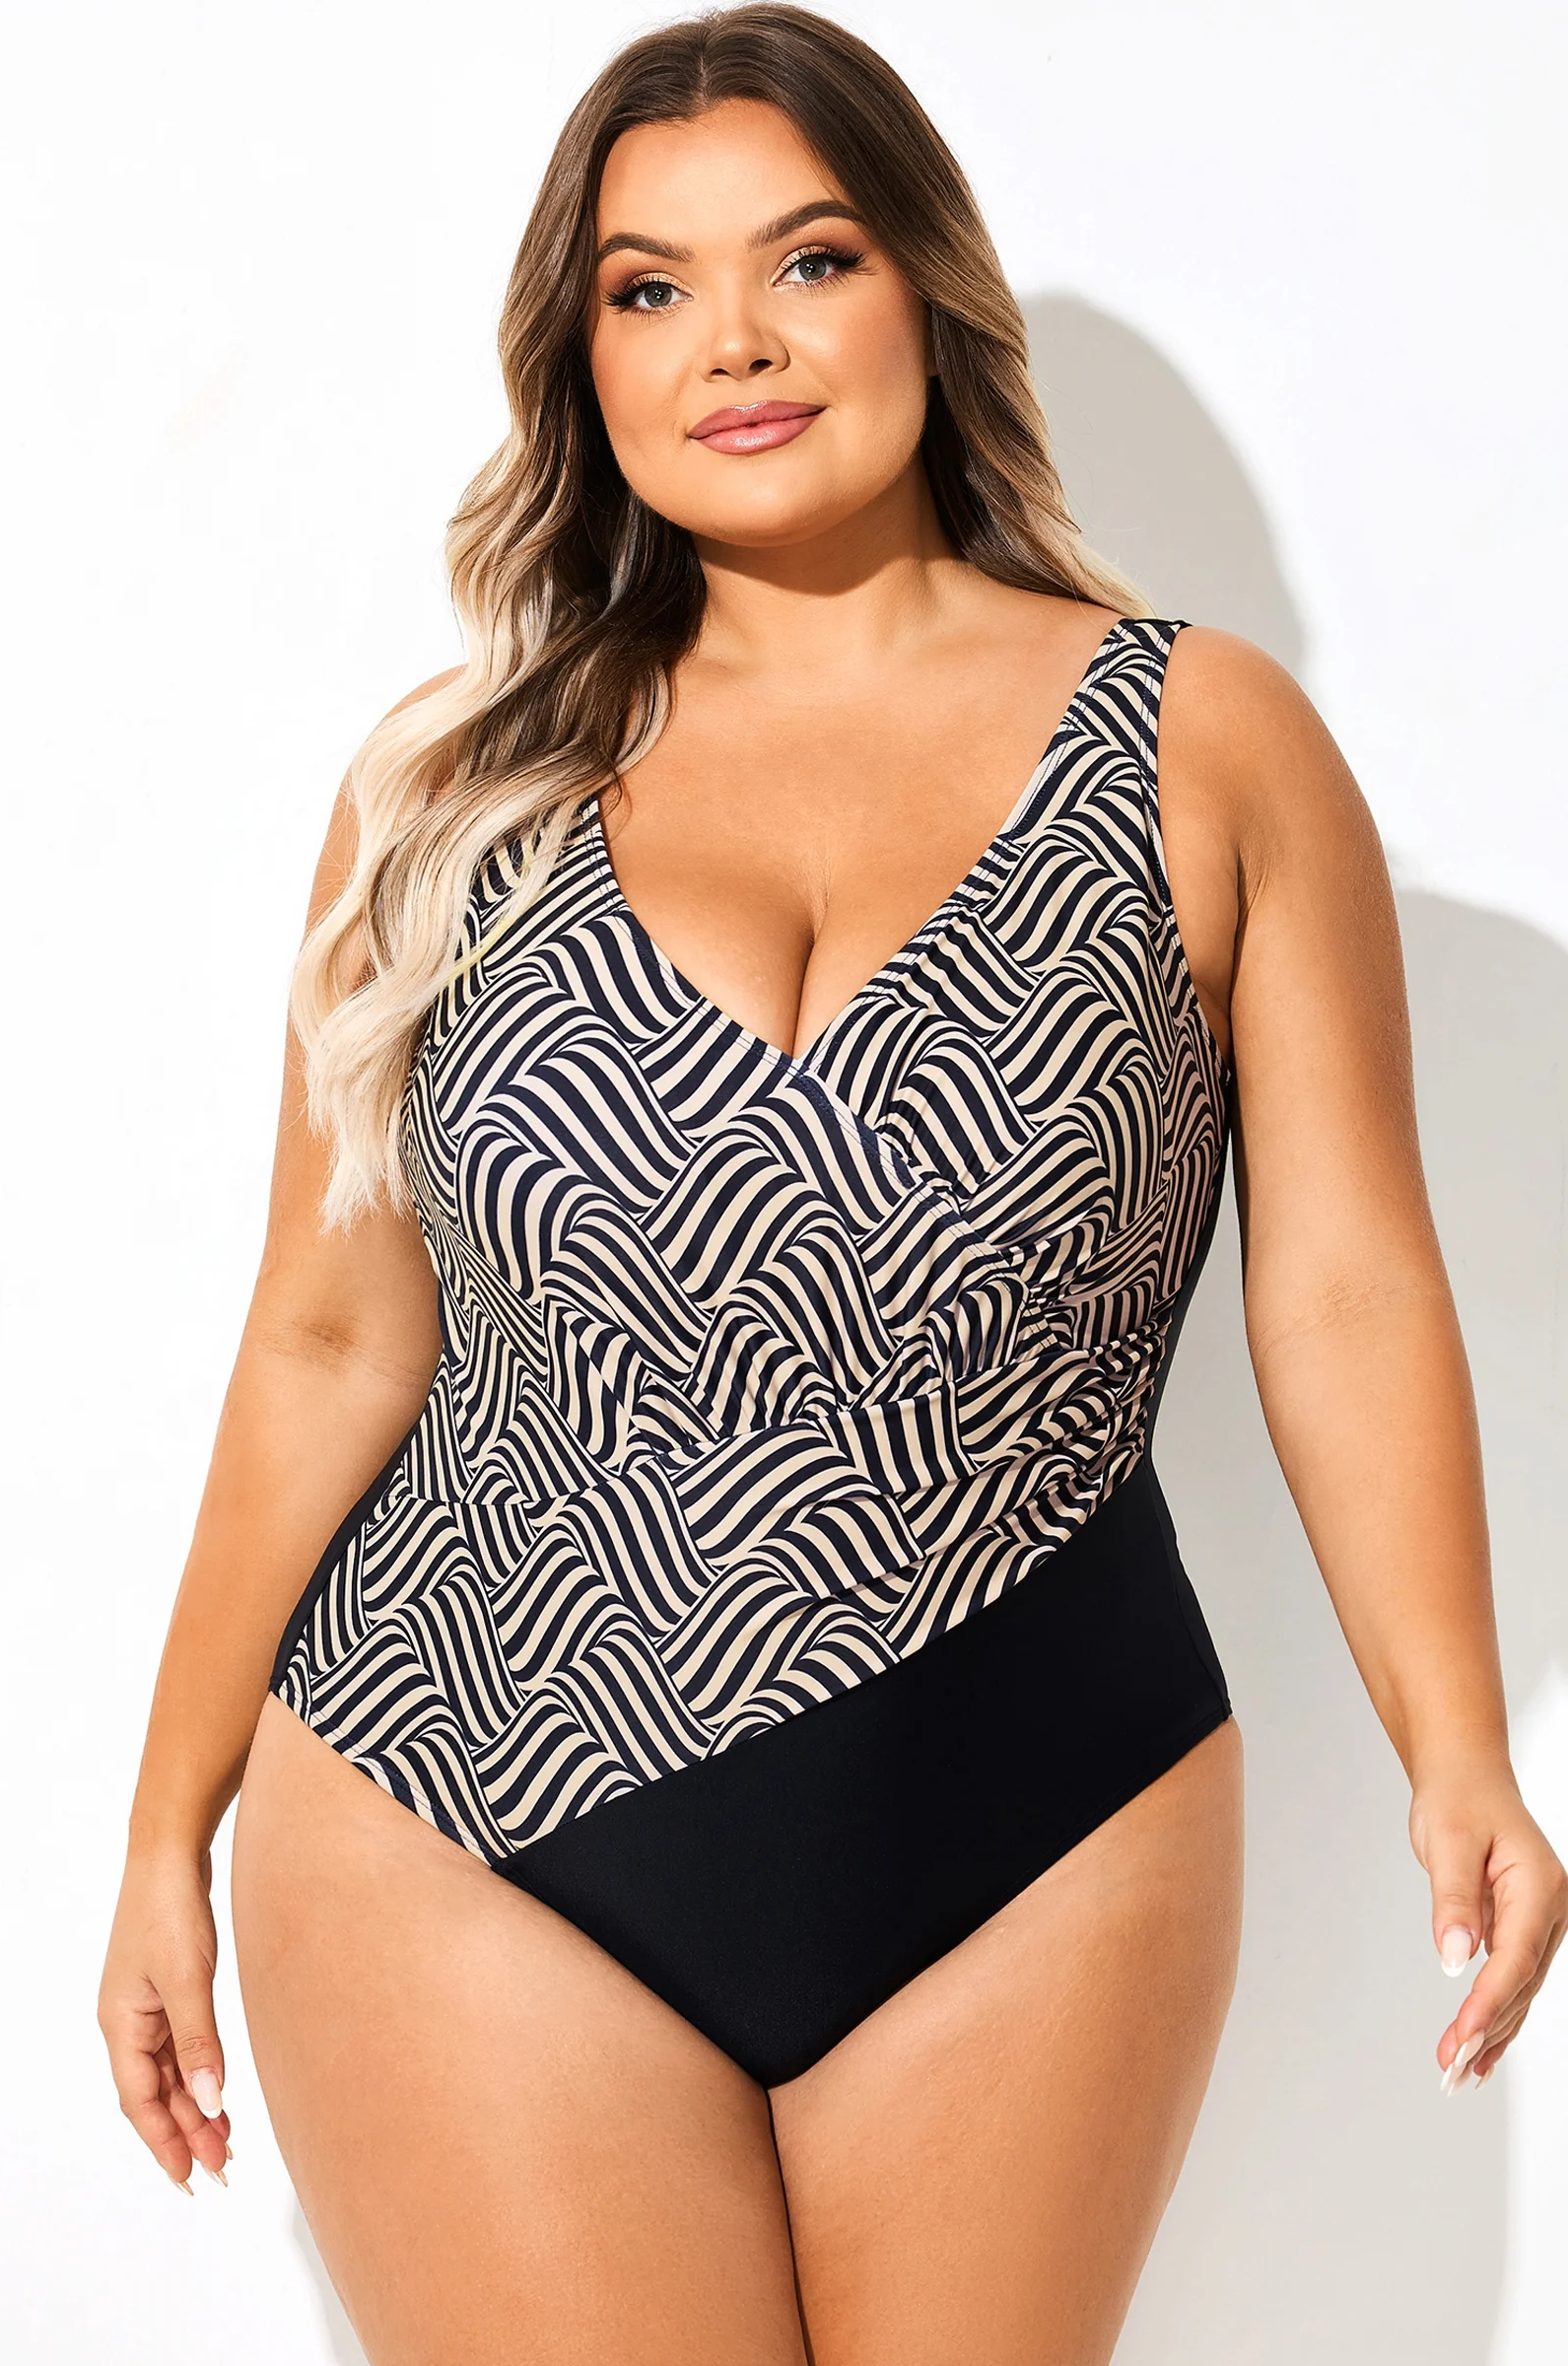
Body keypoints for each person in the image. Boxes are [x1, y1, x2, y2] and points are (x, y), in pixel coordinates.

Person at [99, 8, 1566, 2361]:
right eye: (647, 289)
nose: (736, 343)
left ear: (922, 292)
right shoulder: (444, 794)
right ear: (579, 362)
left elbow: (1344, 1286)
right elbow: (329, 1333)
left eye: (807, 260)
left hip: (1036, 1810)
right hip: (460, 1795)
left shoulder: (1203, 747)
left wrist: (1456, 1742)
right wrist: (163, 1828)